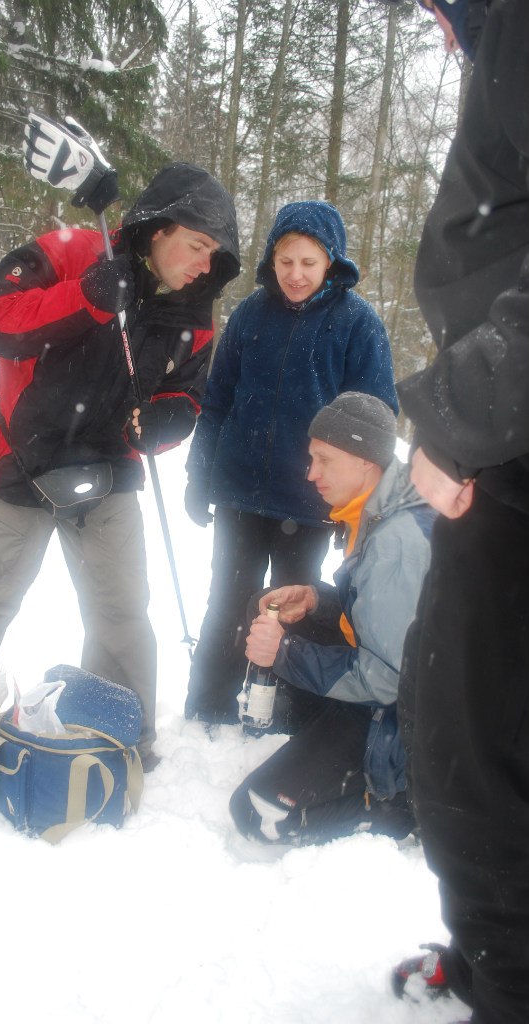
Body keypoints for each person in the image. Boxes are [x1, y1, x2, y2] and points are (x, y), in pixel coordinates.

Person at [0, 155, 240, 765]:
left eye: (214, 253)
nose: (204, 265)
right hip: (16, 462)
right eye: (196, 245)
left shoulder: (194, 310)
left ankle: (121, 733)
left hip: (108, 474)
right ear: (159, 231)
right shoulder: (74, 252)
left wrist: (171, 418)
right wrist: (88, 297)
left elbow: (187, 391)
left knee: (121, 612)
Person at [382, 2, 529, 1021]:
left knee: (470, 754)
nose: (438, 28)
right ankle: (494, 957)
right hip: (502, 447)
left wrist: (459, 416)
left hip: (506, 452)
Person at [183, 201, 398, 725]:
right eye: (285, 262)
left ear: (330, 263)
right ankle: (208, 707)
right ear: (271, 262)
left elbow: (377, 420)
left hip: (310, 498)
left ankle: (283, 708)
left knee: (294, 607)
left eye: (308, 262)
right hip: (240, 489)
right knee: (230, 600)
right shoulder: (251, 315)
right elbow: (216, 401)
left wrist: (364, 501)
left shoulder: (357, 323)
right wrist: (199, 474)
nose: (295, 275)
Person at [229, 393, 434, 846]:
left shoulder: (395, 541)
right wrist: (316, 601)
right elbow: (378, 610)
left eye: (323, 459)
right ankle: (320, 740)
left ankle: (400, 806)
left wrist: (284, 653)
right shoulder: (377, 507)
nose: (311, 473)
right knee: (270, 606)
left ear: (365, 461)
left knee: (259, 814)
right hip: (390, 680)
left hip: (407, 719)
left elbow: (387, 680)